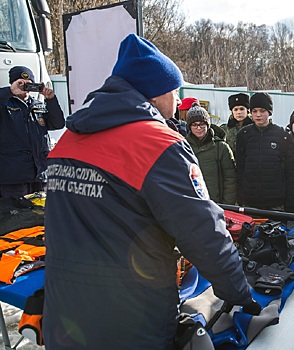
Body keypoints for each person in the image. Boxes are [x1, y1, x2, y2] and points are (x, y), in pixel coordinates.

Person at [43, 34, 260, 349]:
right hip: (130, 318)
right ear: (157, 93)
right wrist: (239, 292)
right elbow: (202, 231)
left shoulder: (68, 141)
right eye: (175, 90)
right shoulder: (158, 144)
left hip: (65, 313)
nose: (176, 99)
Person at [0, 66, 64, 199]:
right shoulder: (4, 104)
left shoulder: (37, 105)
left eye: (29, 84)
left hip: (40, 173)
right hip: (14, 176)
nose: (24, 87)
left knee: (41, 215)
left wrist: (51, 99)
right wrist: (10, 91)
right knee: (16, 216)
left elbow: (58, 124)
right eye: (20, 83)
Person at [235, 92, 294, 211]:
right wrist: (241, 198)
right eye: (254, 111)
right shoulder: (243, 135)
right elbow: (240, 170)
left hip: (276, 203)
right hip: (250, 202)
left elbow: (291, 173)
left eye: (262, 111)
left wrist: (290, 204)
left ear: (269, 112)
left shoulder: (282, 136)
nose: (258, 115)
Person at [186, 102, 237, 204]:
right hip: (192, 203)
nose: (199, 128)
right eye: (194, 125)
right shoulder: (184, 147)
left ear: (208, 125)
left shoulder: (221, 147)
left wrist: (227, 204)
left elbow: (230, 179)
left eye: (202, 124)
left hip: (217, 203)